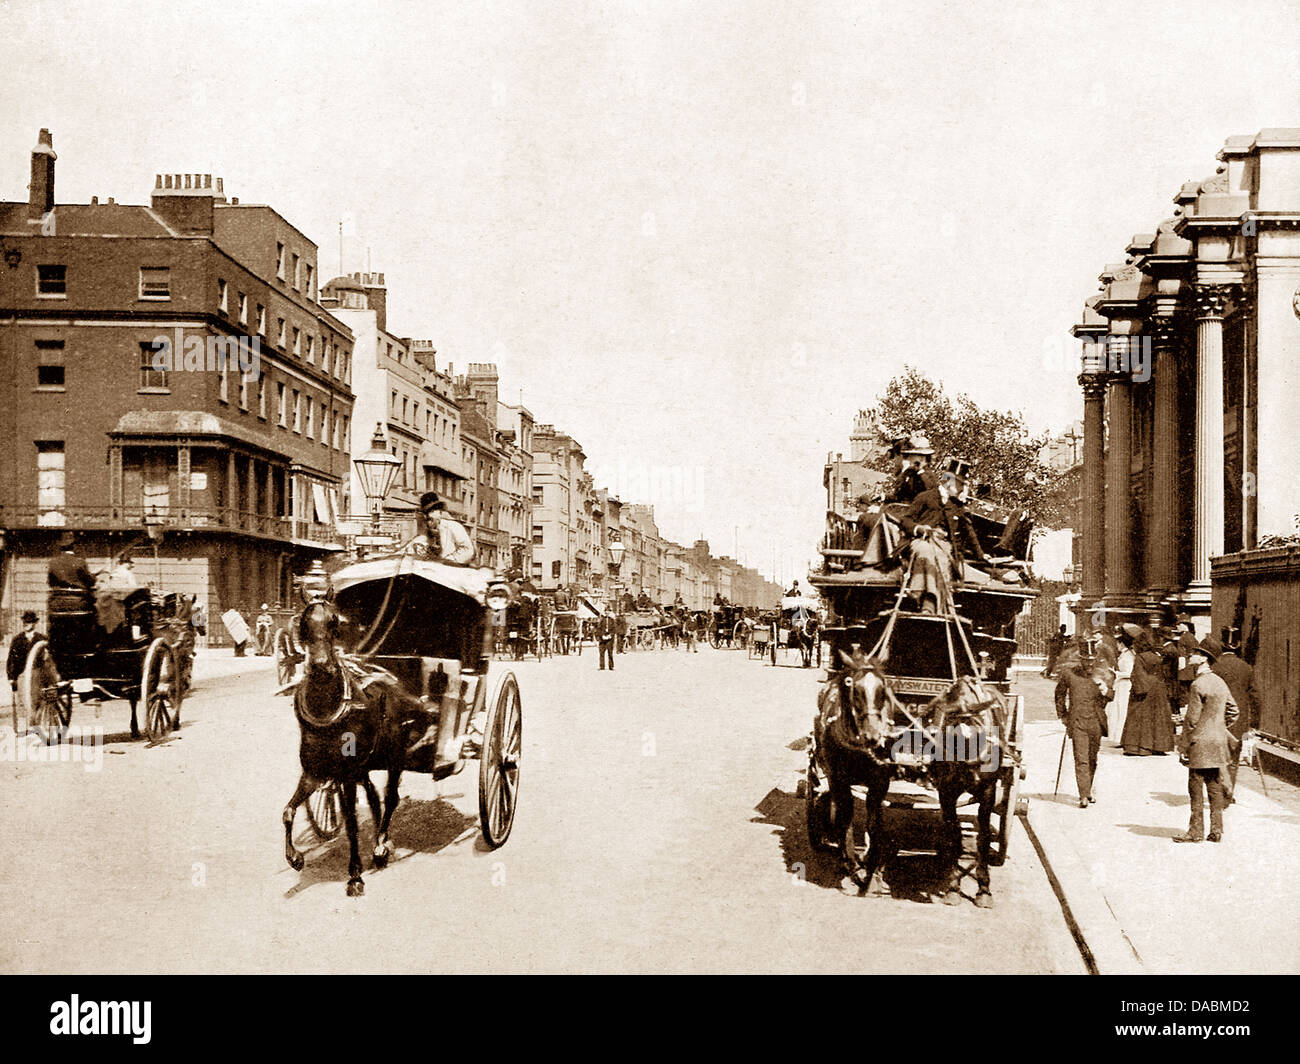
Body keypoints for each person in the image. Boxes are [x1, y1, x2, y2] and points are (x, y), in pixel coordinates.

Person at [1174, 638, 1238, 843]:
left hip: (1200, 743)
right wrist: (1218, 727)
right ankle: (1216, 830)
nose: (1191, 654)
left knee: (1195, 785)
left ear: (1203, 659)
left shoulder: (1197, 684)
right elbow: (1234, 711)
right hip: (1218, 741)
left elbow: (1192, 720)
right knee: (1214, 785)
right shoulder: (1219, 682)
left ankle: (1195, 831)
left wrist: (1183, 745)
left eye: (1196, 652)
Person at [897, 468, 986, 613]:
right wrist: (919, 528)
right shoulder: (924, 497)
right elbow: (905, 520)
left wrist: (981, 554)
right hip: (921, 540)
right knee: (926, 551)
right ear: (948, 482)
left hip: (943, 544)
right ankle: (924, 598)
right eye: (960, 485)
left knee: (940, 558)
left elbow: (968, 531)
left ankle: (925, 598)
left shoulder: (957, 506)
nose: (962, 490)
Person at [1055, 637, 1112, 807]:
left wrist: (1104, 689)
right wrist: (1063, 715)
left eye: (1091, 661)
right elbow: (1059, 695)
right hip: (1077, 722)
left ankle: (1088, 789)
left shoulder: (1102, 674)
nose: (1089, 664)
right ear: (1080, 659)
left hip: (1096, 722)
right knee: (1081, 759)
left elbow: (1111, 696)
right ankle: (1083, 795)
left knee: (1092, 758)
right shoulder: (1069, 674)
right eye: (1085, 661)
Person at [1212, 632, 1260, 803]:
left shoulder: (1214, 667)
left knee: (1217, 757)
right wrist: (1255, 722)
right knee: (1233, 759)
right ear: (1239, 644)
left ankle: (1218, 792)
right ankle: (1228, 793)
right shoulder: (1246, 668)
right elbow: (1255, 696)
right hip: (1238, 720)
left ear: (1222, 643)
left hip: (1215, 718)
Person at [1120, 628, 1176, 755]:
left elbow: (1137, 674)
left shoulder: (1140, 657)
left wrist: (1138, 689)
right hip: (1158, 688)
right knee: (1158, 717)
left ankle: (1137, 747)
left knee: (1139, 717)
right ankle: (1158, 746)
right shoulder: (1157, 656)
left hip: (1144, 689)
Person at [405, 491, 475, 564]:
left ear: (439, 512)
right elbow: (411, 549)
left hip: (452, 570)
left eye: (430, 511)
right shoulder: (424, 534)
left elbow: (468, 550)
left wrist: (449, 560)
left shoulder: (453, 527)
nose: (427, 516)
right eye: (425, 513)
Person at [7, 611, 44, 717]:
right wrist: (11, 677)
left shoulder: (41, 639)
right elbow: (11, 660)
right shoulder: (17, 640)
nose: (26, 624)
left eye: (29, 622)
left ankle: (37, 725)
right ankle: (27, 728)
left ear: (34, 623)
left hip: (37, 676)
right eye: (24, 622)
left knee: (37, 703)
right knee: (23, 704)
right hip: (22, 676)